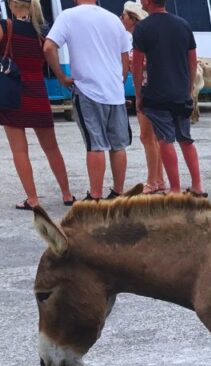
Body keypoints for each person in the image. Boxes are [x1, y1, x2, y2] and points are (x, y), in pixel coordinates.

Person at [43, 0, 132, 201]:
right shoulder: (113, 19)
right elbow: (125, 54)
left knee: (96, 145)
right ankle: (118, 193)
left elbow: (49, 47)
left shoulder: (69, 16)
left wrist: (61, 77)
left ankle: (95, 196)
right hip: (115, 93)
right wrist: (120, 79)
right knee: (118, 146)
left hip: (88, 91)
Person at [0, 0, 73, 210]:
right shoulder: (41, 31)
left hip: (12, 93)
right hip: (38, 92)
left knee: (19, 150)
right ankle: (67, 194)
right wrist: (61, 77)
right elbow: (51, 55)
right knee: (51, 147)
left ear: (13, 4)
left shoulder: (6, 26)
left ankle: (33, 199)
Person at [132, 0, 204, 197]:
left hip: (157, 94)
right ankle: (198, 185)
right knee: (186, 139)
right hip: (181, 93)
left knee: (165, 140)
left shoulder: (142, 28)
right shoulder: (183, 24)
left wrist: (138, 94)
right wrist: (188, 89)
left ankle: (174, 189)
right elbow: (192, 61)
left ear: (148, 2)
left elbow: (136, 66)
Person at [120, 1, 163, 194]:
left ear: (133, 18)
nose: (121, 18)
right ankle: (159, 179)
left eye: (124, 15)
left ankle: (152, 181)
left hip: (147, 89)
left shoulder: (139, 37)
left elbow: (142, 63)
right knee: (154, 137)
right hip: (156, 88)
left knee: (147, 136)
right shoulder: (142, 35)